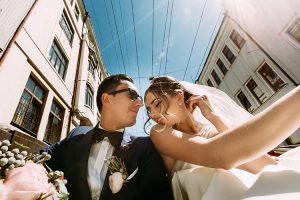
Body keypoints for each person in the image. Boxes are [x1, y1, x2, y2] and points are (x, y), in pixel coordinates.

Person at [144, 76, 300, 200]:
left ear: (179, 97)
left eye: (157, 104)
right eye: (148, 110)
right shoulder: (159, 132)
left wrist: (214, 117)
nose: (152, 115)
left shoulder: (211, 131)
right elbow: (219, 155)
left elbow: (265, 165)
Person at [40, 74, 173, 200]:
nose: (140, 104)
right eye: (132, 95)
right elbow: (37, 162)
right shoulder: (76, 134)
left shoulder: (145, 146)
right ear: (107, 99)